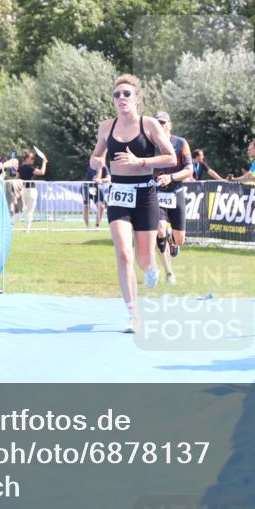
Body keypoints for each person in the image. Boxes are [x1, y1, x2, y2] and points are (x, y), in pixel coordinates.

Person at [89, 74, 176, 333]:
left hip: (145, 194)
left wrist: (141, 162)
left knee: (144, 257)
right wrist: (98, 163)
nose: (121, 99)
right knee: (124, 254)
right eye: (117, 95)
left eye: (126, 94)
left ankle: (151, 268)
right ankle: (133, 314)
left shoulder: (149, 124)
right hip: (118, 194)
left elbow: (170, 158)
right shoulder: (106, 127)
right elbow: (96, 156)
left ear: (137, 98)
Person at [153, 111, 193, 284]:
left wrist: (171, 177)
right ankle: (169, 273)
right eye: (157, 123)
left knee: (180, 239)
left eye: (163, 123)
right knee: (159, 229)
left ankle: (172, 239)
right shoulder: (150, 145)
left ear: (170, 125)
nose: (160, 126)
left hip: (176, 192)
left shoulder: (180, 143)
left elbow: (189, 170)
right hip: (157, 193)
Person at [17, 148, 48, 232]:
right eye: (32, 158)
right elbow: (42, 172)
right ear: (26, 159)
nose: (33, 160)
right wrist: (44, 162)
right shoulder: (30, 167)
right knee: (29, 211)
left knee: (21, 210)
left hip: (23, 190)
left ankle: (12, 225)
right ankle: (26, 229)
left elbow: (17, 178)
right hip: (30, 190)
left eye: (34, 158)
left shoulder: (21, 167)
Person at [82, 164, 109, 228]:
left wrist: (101, 180)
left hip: (95, 188)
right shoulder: (92, 164)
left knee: (101, 206)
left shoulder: (104, 167)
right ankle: (88, 226)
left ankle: (97, 225)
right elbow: (96, 178)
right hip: (86, 186)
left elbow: (108, 179)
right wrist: (99, 178)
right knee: (86, 206)